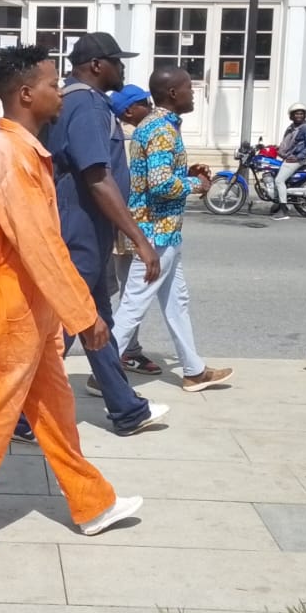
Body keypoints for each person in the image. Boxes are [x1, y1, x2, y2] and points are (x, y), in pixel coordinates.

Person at [0, 43, 143, 549]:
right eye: (50, 84)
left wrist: (68, 311)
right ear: (26, 94)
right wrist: (85, 315)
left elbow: (48, 244)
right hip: (13, 304)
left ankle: (93, 504)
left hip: (36, 305)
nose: (59, 91)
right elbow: (39, 246)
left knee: (55, 410)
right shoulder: (10, 155)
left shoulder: (27, 149)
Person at [12, 32, 166, 443]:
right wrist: (139, 238)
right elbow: (96, 176)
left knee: (96, 320)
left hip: (88, 230)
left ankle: (126, 408)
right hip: (77, 227)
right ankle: (21, 418)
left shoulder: (84, 102)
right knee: (64, 323)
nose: (123, 68)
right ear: (98, 65)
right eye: (117, 61)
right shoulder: (85, 104)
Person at [112, 66, 232, 393]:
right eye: (189, 88)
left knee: (176, 301)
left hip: (164, 231)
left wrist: (187, 170)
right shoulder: (162, 130)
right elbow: (161, 184)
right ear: (173, 94)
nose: (194, 93)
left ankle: (193, 370)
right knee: (133, 305)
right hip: (155, 233)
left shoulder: (154, 126)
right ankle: (104, 375)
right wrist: (197, 183)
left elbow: (162, 171)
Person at [106, 85, 161, 377]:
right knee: (127, 292)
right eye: (144, 103)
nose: (151, 107)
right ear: (128, 110)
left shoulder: (137, 133)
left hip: (125, 221)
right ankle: (119, 355)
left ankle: (128, 351)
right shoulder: (133, 134)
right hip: (123, 222)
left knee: (127, 290)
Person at [271, 102, 306, 219]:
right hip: (288, 157)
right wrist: (275, 148)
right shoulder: (292, 128)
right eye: (296, 114)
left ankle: (284, 211)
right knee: (274, 173)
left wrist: (298, 156)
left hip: (296, 159)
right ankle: (277, 204)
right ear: (292, 116)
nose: (299, 116)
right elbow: (287, 143)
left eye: (301, 113)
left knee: (279, 180)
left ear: (304, 115)